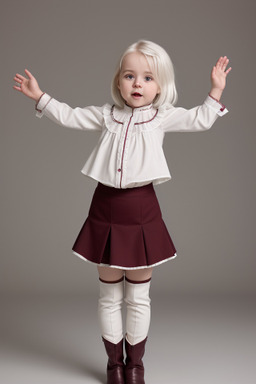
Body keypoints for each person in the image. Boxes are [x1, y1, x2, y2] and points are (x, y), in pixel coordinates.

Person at [13, 40, 231, 384]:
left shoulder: (162, 116)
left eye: (147, 77)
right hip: (105, 208)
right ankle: (114, 365)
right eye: (130, 76)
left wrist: (215, 90)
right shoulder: (106, 115)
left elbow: (200, 120)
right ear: (118, 81)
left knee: (139, 295)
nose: (137, 84)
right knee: (110, 293)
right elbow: (70, 115)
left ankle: (136, 366)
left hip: (142, 210)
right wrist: (41, 97)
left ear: (160, 85)